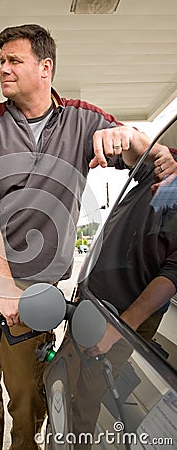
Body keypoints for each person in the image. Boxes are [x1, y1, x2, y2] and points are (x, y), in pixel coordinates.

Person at [0, 24, 165, 450]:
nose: (4, 70)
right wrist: (3, 285)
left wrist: (130, 137)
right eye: (1, 62)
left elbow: (157, 162)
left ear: (45, 68)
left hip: (35, 288)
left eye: (14, 61)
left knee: (29, 391)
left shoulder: (84, 121)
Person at [50, 144, 177, 448]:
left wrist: (117, 331)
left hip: (125, 316)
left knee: (86, 400)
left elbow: (171, 276)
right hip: (92, 300)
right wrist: (130, 140)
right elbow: (135, 152)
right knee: (62, 386)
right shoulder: (167, 163)